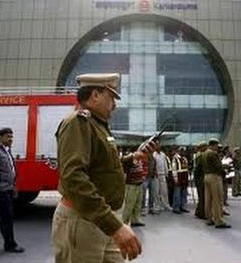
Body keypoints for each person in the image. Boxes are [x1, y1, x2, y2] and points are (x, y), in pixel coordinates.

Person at [51, 73, 156, 263]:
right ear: (95, 95)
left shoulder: (98, 125)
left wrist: (134, 157)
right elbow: (74, 178)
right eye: (111, 97)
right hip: (84, 220)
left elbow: (103, 167)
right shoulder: (78, 122)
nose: (115, 105)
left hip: (102, 219)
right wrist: (114, 226)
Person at [203, 138, 231, 229]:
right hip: (214, 176)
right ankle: (218, 220)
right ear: (213, 145)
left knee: (208, 199)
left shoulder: (205, 152)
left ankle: (209, 218)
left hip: (206, 176)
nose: (217, 148)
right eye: (216, 146)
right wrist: (225, 167)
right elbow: (218, 166)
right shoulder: (213, 153)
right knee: (217, 198)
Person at [122, 147, 146, 227]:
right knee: (129, 204)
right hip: (131, 185)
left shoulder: (140, 159)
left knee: (137, 204)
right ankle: (124, 222)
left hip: (139, 183)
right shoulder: (129, 160)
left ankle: (135, 220)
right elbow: (124, 166)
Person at [153, 144, 172, 211]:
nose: (158, 147)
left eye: (159, 145)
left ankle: (166, 205)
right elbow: (153, 165)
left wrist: (167, 173)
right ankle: (157, 206)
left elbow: (165, 164)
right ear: (155, 147)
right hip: (156, 175)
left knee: (164, 191)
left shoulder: (163, 154)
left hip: (163, 174)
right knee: (156, 191)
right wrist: (154, 173)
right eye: (157, 145)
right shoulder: (154, 155)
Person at [172, 146, 189, 214]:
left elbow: (186, 168)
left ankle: (182, 206)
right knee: (177, 193)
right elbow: (174, 169)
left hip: (184, 176)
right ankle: (176, 207)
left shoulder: (185, 159)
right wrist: (175, 179)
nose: (183, 152)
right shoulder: (175, 158)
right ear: (178, 151)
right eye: (181, 151)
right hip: (179, 176)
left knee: (184, 193)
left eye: (183, 151)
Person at [194, 141, 207, 219]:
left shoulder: (199, 154)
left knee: (202, 195)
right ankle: (201, 212)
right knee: (202, 195)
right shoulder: (200, 155)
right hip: (200, 177)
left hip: (200, 176)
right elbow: (198, 167)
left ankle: (199, 211)